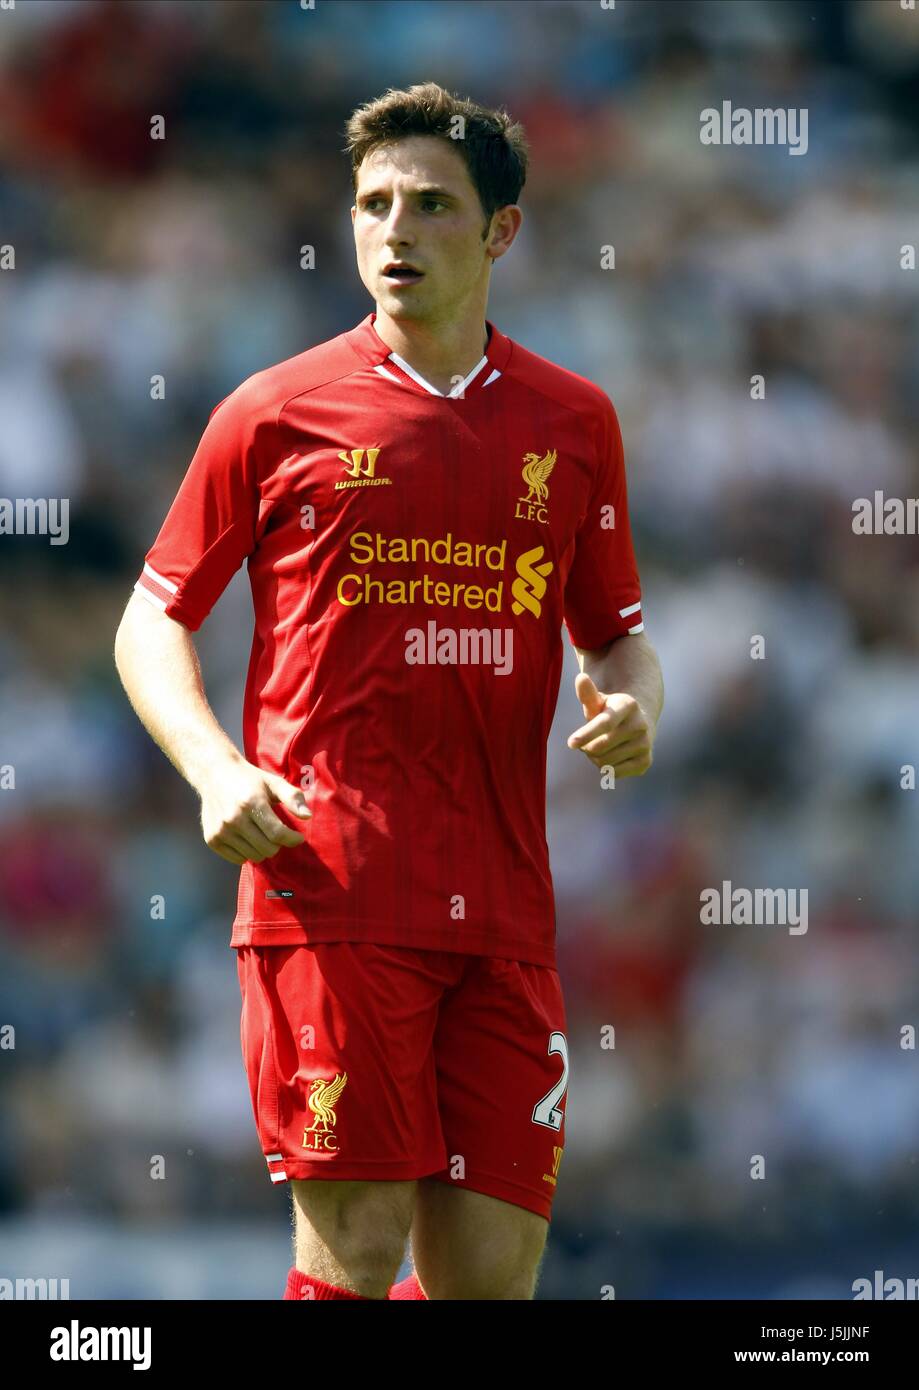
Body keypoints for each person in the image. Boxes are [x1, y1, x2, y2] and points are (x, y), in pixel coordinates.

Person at [114, 80, 663, 1302]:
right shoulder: (272, 411)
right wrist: (216, 768)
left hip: (508, 915)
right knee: (358, 1247)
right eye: (371, 204)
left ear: (501, 233)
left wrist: (636, 709)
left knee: (484, 1281)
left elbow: (618, 636)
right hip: (332, 887)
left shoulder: (574, 422)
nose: (394, 230)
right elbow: (152, 619)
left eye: (428, 205)